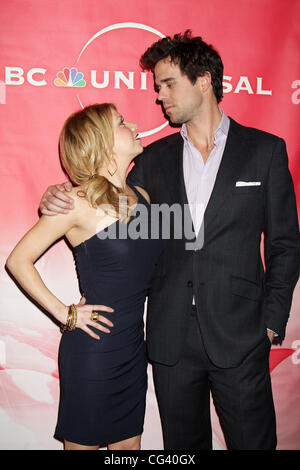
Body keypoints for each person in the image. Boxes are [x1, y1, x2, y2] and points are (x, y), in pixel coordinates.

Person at [39, 32, 300, 450]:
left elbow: (286, 244)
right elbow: (103, 191)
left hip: (241, 334)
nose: (159, 97)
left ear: (203, 81)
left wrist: (270, 323)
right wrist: (56, 192)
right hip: (168, 339)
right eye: (157, 87)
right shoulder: (150, 160)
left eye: (167, 84)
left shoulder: (265, 151)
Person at [6, 103, 164, 450]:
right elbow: (18, 260)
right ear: (102, 141)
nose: (135, 124)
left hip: (134, 349)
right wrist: (66, 314)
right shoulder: (76, 202)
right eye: (122, 123)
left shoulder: (145, 199)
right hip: (94, 350)